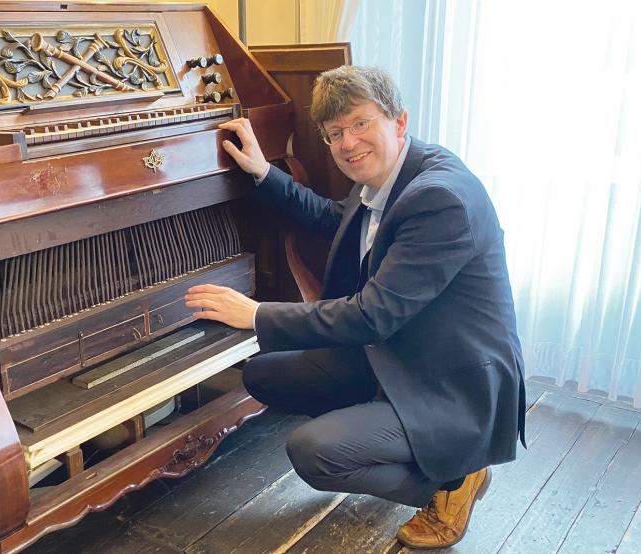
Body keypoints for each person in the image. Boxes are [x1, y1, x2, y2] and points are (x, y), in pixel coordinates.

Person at [184, 65, 525, 549]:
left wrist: (256, 313)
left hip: (451, 381)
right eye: (335, 133)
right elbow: (333, 219)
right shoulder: (391, 176)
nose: (348, 143)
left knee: (313, 453)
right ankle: (392, 432)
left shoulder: (438, 199)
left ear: (399, 121)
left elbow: (372, 314)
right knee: (263, 374)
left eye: (361, 124)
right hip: (397, 354)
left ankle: (452, 481)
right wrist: (263, 172)